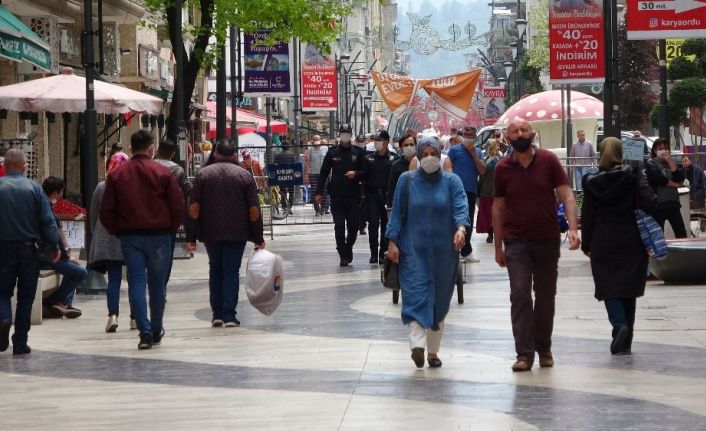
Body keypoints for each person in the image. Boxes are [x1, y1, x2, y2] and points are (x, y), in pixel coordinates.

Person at [492, 119, 580, 372]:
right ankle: (524, 353)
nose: (520, 134)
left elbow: (567, 195)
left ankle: (544, 347)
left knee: (544, 297)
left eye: (524, 130)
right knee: (519, 293)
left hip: (547, 240)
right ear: (507, 137)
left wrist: (573, 228)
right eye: (514, 131)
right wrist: (498, 246)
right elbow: (498, 208)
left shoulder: (549, 161)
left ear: (532, 134)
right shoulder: (502, 168)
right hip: (516, 241)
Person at [386, 136, 469, 368]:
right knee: (414, 295)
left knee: (439, 300)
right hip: (412, 250)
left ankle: (433, 352)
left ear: (441, 155)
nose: (429, 158)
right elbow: (396, 214)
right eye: (425, 154)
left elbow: (461, 207)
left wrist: (461, 229)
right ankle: (417, 346)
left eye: (434, 153)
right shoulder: (407, 180)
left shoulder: (452, 182)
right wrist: (392, 242)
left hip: (445, 251)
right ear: (419, 156)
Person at [100, 130, 184, 350]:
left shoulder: (118, 175)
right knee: (157, 285)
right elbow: (177, 206)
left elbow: (106, 210)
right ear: (151, 148)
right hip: (159, 235)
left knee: (136, 283)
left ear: (131, 149)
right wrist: (171, 229)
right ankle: (156, 329)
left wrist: (118, 230)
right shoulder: (162, 172)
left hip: (131, 236)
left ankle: (144, 332)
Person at [582, 138, 657, 355]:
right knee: (628, 288)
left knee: (609, 286)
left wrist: (587, 244)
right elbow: (649, 202)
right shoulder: (633, 176)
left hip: (603, 239)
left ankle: (619, 325)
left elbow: (587, 216)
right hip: (631, 238)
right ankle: (627, 338)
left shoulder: (590, 181)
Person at [186, 140, 265, 328]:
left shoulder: (203, 174)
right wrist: (258, 237)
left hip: (211, 232)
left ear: (215, 154)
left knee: (215, 269)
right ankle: (230, 315)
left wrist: (191, 236)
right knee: (231, 270)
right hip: (237, 233)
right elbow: (254, 209)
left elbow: (193, 208)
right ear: (234, 155)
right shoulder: (244, 176)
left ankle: (217, 314)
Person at [0, 149, 60, 355]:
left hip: (2, 249)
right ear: (25, 166)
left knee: (1, 292)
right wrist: (54, 246)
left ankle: (4, 318)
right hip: (28, 250)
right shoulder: (34, 189)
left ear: (5, 166)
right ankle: (20, 342)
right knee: (26, 298)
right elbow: (47, 221)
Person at [315, 125, 365, 266]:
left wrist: (356, 174)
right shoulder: (332, 153)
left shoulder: (358, 152)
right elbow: (324, 173)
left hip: (354, 195)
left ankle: (348, 247)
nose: (345, 135)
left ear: (351, 134)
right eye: (342, 133)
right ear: (339, 135)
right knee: (339, 225)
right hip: (337, 195)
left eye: (347, 133)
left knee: (354, 227)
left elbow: (365, 171)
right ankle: (342, 253)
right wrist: (319, 192)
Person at [90, 157, 130, 332]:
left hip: (107, 239)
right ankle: (135, 318)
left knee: (114, 279)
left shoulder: (101, 187)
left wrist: (96, 234)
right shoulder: (131, 186)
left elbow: (93, 214)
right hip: (129, 237)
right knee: (135, 279)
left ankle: (112, 316)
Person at [40, 177, 88, 319]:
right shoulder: (45, 207)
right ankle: (52, 301)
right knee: (81, 272)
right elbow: (52, 235)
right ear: (55, 193)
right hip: (48, 255)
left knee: (73, 268)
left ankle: (64, 303)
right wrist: (66, 255)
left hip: (49, 253)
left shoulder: (45, 205)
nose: (60, 197)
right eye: (60, 193)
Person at [154, 139, 192, 290]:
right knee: (167, 253)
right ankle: (162, 285)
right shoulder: (178, 170)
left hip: (147, 216)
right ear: (173, 154)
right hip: (169, 219)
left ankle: (152, 283)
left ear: (157, 150)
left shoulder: (149, 166)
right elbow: (189, 189)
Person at [448, 125, 486, 259]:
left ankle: (466, 250)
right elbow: (448, 168)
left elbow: (482, 171)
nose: (467, 137)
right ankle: (456, 247)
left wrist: (474, 154)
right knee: (455, 219)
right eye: (465, 135)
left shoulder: (479, 152)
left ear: (475, 137)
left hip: (470, 191)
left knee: (468, 219)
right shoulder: (454, 151)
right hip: (456, 191)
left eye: (470, 135)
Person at [361, 130, 398, 264]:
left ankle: (383, 252)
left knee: (386, 226)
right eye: (375, 139)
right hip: (372, 196)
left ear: (386, 141)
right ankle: (373, 253)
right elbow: (363, 174)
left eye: (379, 139)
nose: (376, 142)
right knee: (373, 225)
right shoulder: (369, 158)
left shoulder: (394, 158)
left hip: (387, 197)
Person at [644, 138, 687, 238]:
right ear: (655, 150)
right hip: (659, 204)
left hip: (673, 203)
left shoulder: (671, 163)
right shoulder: (651, 163)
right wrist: (675, 184)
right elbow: (659, 179)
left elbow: (679, 178)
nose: (664, 150)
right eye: (661, 148)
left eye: (666, 148)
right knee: (658, 234)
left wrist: (670, 162)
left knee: (681, 232)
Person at [476, 140, 502, 243]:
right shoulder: (501, 159)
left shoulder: (485, 159)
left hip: (485, 191)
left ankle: (490, 235)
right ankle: (498, 234)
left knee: (487, 215)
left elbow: (481, 175)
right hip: (498, 192)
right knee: (498, 214)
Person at [386, 134, 417, 212]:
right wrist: (390, 208)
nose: (409, 147)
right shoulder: (396, 165)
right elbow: (391, 187)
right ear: (401, 147)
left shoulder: (422, 163)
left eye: (411, 144)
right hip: (402, 205)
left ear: (415, 145)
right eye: (406, 145)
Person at [304, 135, 329, 216]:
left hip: (324, 174)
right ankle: (317, 210)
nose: (316, 141)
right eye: (315, 140)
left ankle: (323, 208)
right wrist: (306, 175)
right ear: (312, 141)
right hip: (313, 174)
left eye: (317, 140)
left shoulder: (325, 149)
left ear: (320, 140)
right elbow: (307, 163)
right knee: (314, 191)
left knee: (324, 191)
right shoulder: (309, 150)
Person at [274, 145, 296, 215]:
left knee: (283, 192)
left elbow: (275, 165)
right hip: (290, 175)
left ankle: (284, 207)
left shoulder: (278, 155)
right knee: (291, 192)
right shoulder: (291, 155)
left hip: (281, 176)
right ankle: (290, 207)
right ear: (288, 147)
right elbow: (294, 165)